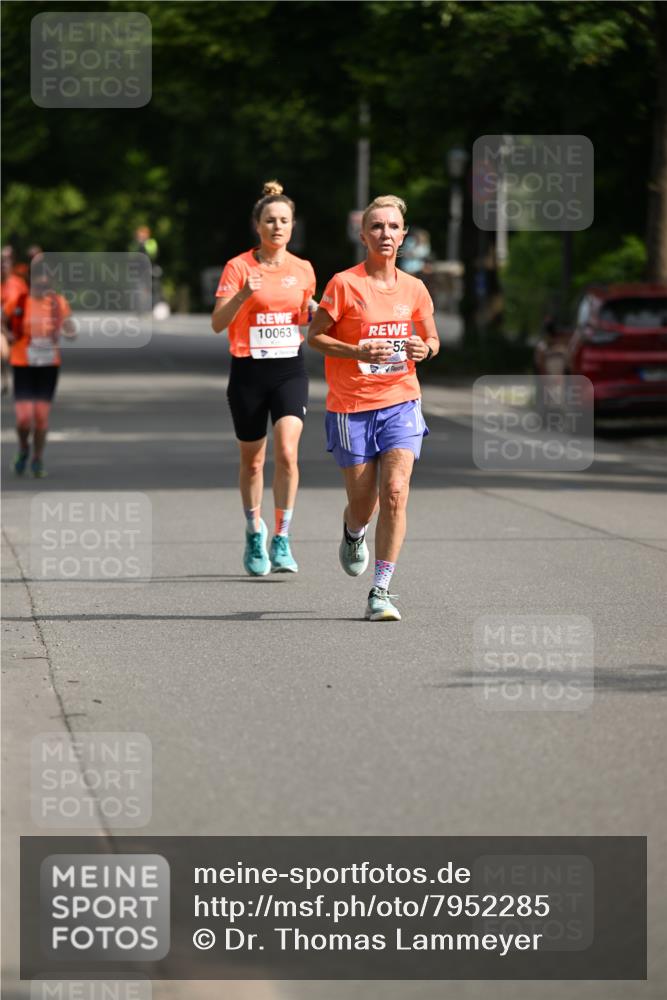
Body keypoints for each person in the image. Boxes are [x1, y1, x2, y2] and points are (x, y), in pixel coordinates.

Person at [308, 195, 439, 621]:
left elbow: (431, 340)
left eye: (393, 227)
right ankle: (354, 531)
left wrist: (426, 347)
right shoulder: (345, 284)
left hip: (402, 399)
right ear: (363, 235)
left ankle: (380, 590)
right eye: (377, 227)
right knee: (364, 503)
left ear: (404, 236)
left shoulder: (415, 288)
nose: (386, 234)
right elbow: (315, 337)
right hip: (351, 406)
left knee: (396, 493)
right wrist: (355, 348)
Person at [211, 181, 316, 575]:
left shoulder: (303, 269)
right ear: (258, 225)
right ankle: (254, 531)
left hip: (289, 369)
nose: (277, 227)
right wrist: (242, 295)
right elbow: (217, 324)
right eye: (270, 220)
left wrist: (317, 312)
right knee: (253, 462)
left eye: (284, 221)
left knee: (288, 451)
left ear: (292, 227)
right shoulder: (238, 268)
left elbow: (305, 317)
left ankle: (282, 536)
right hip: (248, 372)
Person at [4, 258, 76, 477]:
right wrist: (7, 335)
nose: (43, 284)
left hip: (48, 365)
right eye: (38, 280)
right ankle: (24, 448)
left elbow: (69, 326)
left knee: (41, 416)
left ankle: (37, 458)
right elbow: (2, 319)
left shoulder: (58, 302)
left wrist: (70, 331)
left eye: (46, 280)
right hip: (23, 363)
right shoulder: (20, 300)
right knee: (24, 418)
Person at [1, 245, 28, 396]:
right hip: (2, 325)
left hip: (18, 323)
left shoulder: (18, 282)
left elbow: (26, 302)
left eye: (7, 260)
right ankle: (5, 381)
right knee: (3, 353)